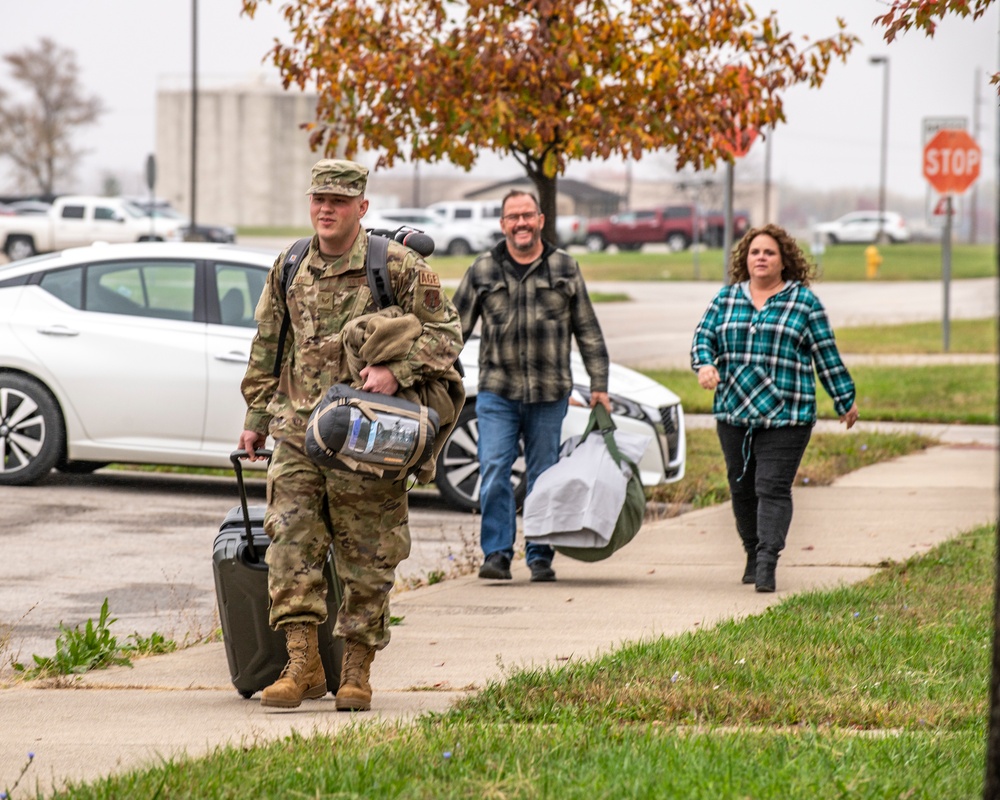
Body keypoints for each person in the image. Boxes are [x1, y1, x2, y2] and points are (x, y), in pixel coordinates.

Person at [238, 159, 463, 711]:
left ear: (361, 208)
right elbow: (268, 344)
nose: (326, 209)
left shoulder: (400, 266)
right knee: (289, 542)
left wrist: (396, 371)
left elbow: (448, 336)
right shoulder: (289, 265)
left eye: (338, 201)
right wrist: (255, 419)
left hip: (369, 435)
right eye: (319, 199)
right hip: (296, 429)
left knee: (368, 555)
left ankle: (357, 670)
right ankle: (303, 664)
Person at [451, 189, 612, 583]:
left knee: (544, 475)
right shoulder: (483, 269)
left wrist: (599, 385)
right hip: (497, 392)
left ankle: (540, 554)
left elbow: (587, 329)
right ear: (503, 224)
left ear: (540, 219)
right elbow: (452, 329)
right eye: (513, 217)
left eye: (528, 215)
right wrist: (433, 373)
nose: (521, 223)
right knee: (493, 470)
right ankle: (497, 555)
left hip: (549, 393)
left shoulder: (565, 267)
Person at [691, 224, 859, 593]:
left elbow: (825, 355)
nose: (761, 258)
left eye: (769, 252)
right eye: (755, 252)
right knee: (742, 488)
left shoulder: (804, 302)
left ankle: (767, 561)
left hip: (788, 414)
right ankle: (752, 552)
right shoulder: (726, 299)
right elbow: (703, 337)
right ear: (745, 260)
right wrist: (705, 364)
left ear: (784, 261)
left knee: (772, 487)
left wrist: (844, 398)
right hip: (734, 411)